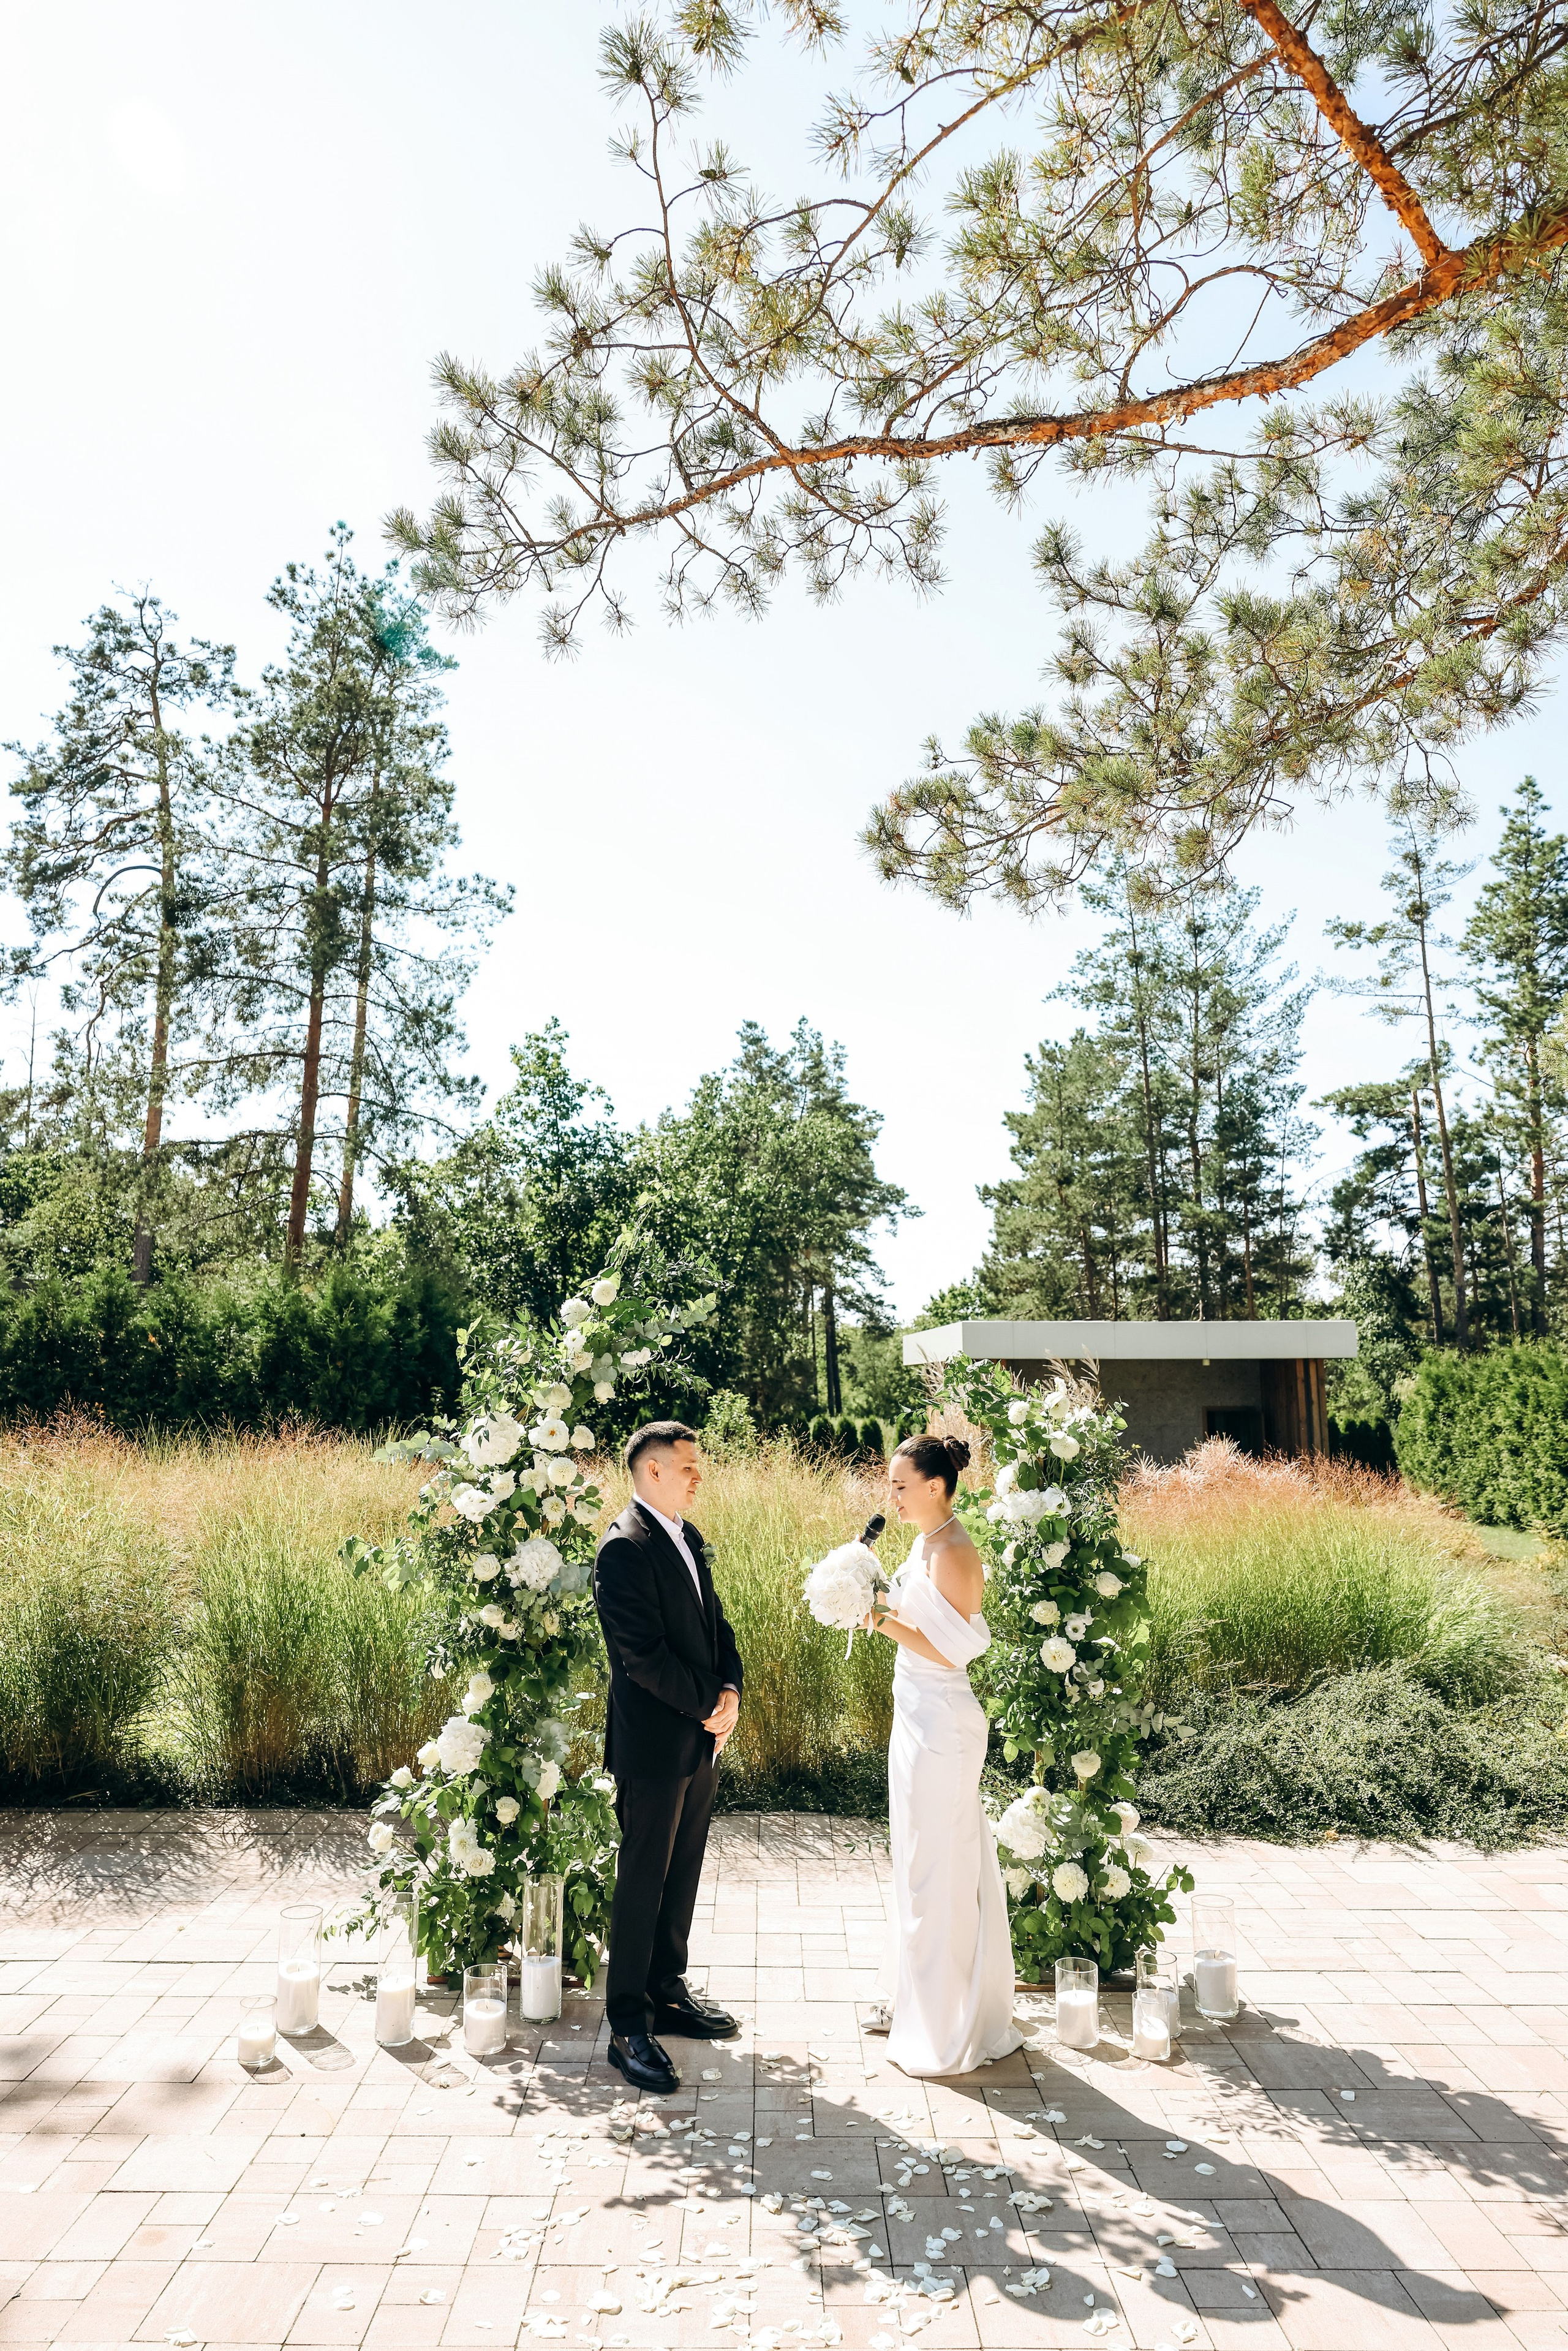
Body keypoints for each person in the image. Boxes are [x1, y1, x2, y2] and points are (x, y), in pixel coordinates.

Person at [862, 1432, 1023, 2077]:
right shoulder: (923, 1542)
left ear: (935, 1487)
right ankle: (916, 1998)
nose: (891, 1496)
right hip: (915, 1716)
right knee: (916, 1862)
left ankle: (945, 2024)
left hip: (944, 1725)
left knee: (940, 1872)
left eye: (901, 1485)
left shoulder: (955, 1550)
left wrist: (873, 1618)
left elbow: (952, 1650)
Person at [592, 1419, 744, 2092]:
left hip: (699, 1736)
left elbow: (718, 1625)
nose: (697, 1474)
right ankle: (627, 2024)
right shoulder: (622, 1549)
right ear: (652, 1470)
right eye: (688, 1465)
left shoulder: (685, 1537)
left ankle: (667, 1992)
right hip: (654, 1744)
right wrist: (709, 1699)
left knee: (682, 1870)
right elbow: (642, 1658)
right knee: (642, 1878)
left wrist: (732, 1688)